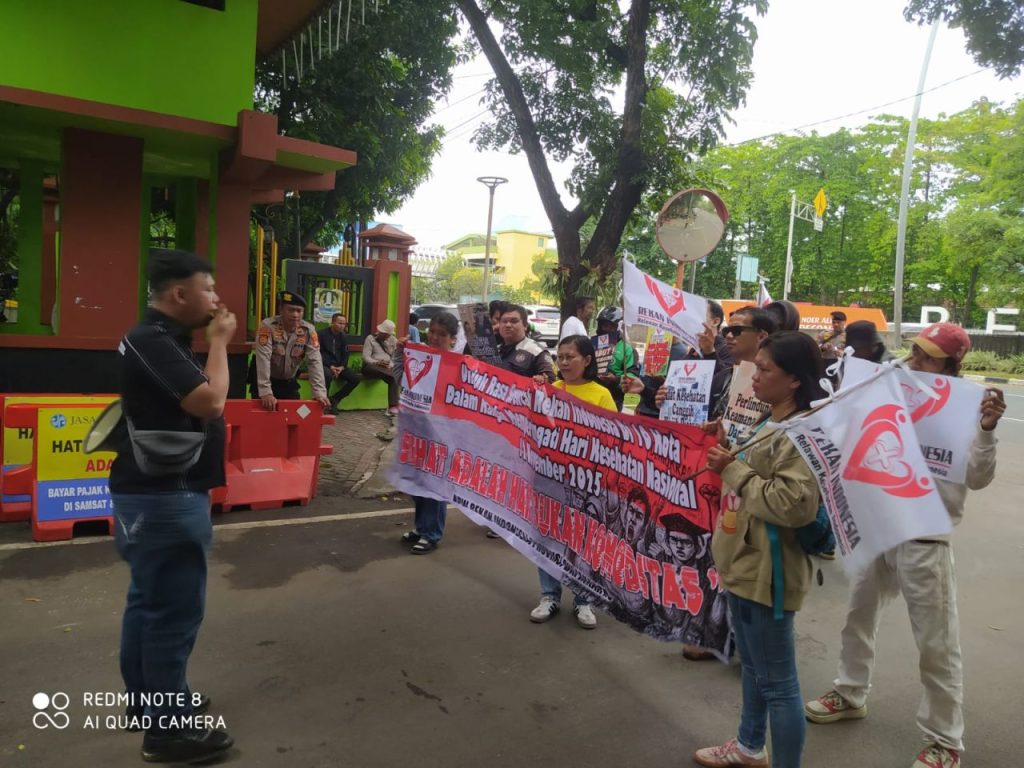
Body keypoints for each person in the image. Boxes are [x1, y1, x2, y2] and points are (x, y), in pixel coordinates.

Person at [804, 323, 1005, 768]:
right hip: (880, 525)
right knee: (858, 617)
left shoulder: (970, 407)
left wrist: (987, 429)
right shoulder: (888, 390)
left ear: (953, 365)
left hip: (925, 538)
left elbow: (978, 477)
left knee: (936, 644)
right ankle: (851, 691)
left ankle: (945, 741)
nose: (914, 362)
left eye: (927, 357)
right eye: (913, 351)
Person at [109, 249, 234, 763]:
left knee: (149, 601)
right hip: (164, 497)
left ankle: (152, 701)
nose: (216, 298)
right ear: (178, 293)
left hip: (154, 494)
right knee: (173, 613)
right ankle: (168, 731)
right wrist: (221, 345)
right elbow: (211, 402)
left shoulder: (164, 340)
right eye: (207, 288)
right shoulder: (151, 341)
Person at [693, 331, 824, 768]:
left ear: (793, 381)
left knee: (779, 684)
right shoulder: (771, 420)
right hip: (746, 564)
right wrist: (728, 442)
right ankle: (750, 747)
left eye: (765, 370)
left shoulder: (801, 432)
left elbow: (793, 504)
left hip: (770, 572)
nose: (754, 378)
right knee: (753, 667)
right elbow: (755, 462)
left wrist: (733, 470)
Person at [530, 334, 614, 629]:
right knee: (548, 537)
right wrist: (536, 395)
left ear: (587, 360)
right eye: (560, 357)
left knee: (583, 542)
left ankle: (583, 600)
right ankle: (549, 595)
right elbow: (536, 427)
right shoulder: (550, 390)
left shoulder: (601, 395)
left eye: (570, 357)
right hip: (551, 477)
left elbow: (613, 439)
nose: (563, 362)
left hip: (586, 482)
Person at [397, 313, 462, 554]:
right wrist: (399, 354)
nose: (434, 337)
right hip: (417, 430)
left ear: (452, 339)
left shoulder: (459, 365)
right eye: (432, 332)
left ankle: (432, 533)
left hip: (443, 433)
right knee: (416, 482)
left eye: (442, 335)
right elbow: (401, 380)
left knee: (434, 484)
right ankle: (422, 527)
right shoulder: (419, 356)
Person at [253, 291, 330, 412]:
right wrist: (266, 391)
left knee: (297, 415)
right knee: (264, 420)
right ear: (281, 310)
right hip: (265, 379)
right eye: (291, 310)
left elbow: (315, 361)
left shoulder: (308, 330)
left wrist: (319, 393)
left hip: (289, 382)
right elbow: (263, 359)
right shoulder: (267, 326)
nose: (295, 315)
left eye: (299, 311)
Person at [591, 306, 639, 411]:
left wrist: (616, 379)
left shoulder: (627, 349)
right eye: (604, 325)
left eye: (611, 326)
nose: (607, 329)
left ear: (617, 327)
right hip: (592, 394)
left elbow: (633, 374)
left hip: (616, 398)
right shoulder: (591, 344)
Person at [495, 304, 556, 383]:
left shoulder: (537, 352)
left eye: (514, 321)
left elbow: (552, 383)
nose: (508, 325)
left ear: (525, 325)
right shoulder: (494, 350)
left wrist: (541, 381)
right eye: (504, 321)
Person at [318, 313, 360, 414]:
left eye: (344, 324)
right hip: (325, 364)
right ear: (332, 322)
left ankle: (335, 399)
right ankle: (324, 403)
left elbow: (345, 353)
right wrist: (330, 366)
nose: (342, 326)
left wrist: (341, 367)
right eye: (339, 323)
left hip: (339, 366)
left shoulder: (343, 337)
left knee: (355, 378)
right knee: (327, 375)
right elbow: (318, 353)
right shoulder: (321, 334)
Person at [362, 318, 400, 416]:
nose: (386, 336)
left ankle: (392, 406)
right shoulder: (370, 339)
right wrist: (378, 363)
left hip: (387, 367)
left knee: (394, 377)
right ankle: (393, 406)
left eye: (388, 335)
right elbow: (366, 357)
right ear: (380, 331)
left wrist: (390, 364)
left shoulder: (393, 340)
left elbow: (396, 357)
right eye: (384, 334)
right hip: (371, 366)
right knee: (393, 375)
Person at [691, 299, 735, 374]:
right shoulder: (694, 348)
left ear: (715, 322)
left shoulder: (728, 349)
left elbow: (723, 379)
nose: (693, 319)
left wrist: (710, 352)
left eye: (699, 315)